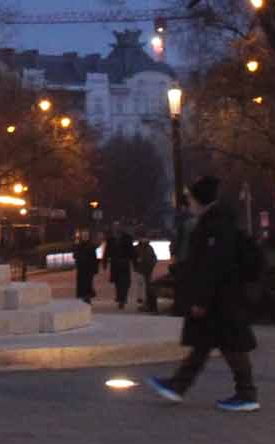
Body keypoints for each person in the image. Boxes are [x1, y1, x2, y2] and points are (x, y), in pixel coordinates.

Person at [146, 176, 260, 412]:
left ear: (199, 201)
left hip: (221, 298)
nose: (188, 204)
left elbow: (212, 265)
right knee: (207, 344)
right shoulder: (220, 222)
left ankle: (246, 393)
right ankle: (178, 386)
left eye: (190, 200)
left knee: (229, 346)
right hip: (224, 296)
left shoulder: (213, 227)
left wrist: (201, 299)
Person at [107, 226, 135, 309]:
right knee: (118, 282)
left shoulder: (127, 238)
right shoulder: (111, 239)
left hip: (123, 263)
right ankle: (120, 298)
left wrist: (134, 261)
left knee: (124, 283)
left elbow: (131, 251)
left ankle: (122, 298)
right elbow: (107, 251)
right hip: (116, 264)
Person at [71, 227, 100, 303]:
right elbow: (74, 256)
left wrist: (95, 269)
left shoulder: (92, 246)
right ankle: (83, 297)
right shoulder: (78, 246)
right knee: (81, 284)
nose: (85, 237)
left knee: (88, 283)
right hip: (81, 268)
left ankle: (87, 298)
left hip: (89, 269)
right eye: (83, 236)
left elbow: (95, 259)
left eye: (86, 236)